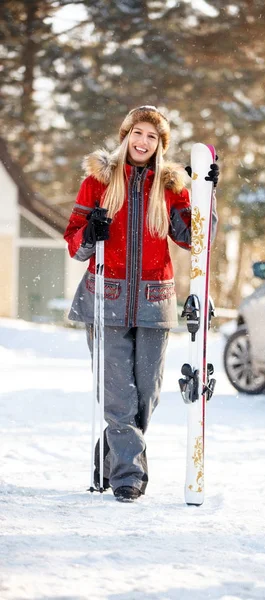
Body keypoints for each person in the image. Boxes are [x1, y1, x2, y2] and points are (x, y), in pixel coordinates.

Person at [64, 105, 218, 503]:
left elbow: (195, 239)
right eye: (137, 133)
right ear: (125, 135)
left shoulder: (170, 186)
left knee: (146, 396)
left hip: (154, 302)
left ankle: (112, 456)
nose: (143, 142)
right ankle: (129, 476)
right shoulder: (98, 181)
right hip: (106, 300)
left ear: (160, 144)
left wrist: (206, 195)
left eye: (152, 136)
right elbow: (74, 243)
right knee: (119, 397)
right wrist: (89, 233)